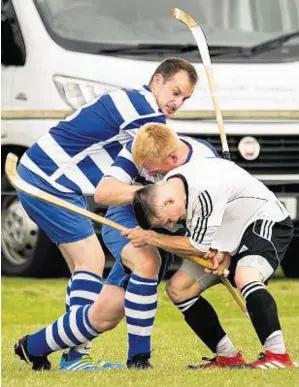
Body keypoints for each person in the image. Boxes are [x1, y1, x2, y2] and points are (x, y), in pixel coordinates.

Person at [14, 57, 198, 371]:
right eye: (175, 91)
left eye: (185, 99)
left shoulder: (133, 101)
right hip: (48, 179)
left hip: (45, 177)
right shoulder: (146, 113)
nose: (177, 102)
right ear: (157, 81)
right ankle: (74, 357)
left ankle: (55, 351)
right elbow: (167, 160)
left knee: (81, 266)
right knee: (92, 261)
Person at [124, 156, 296, 369]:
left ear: (168, 201)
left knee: (245, 275)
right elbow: (200, 241)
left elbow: (197, 247)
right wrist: (219, 248)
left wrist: (152, 238)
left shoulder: (204, 192)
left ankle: (278, 357)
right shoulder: (173, 187)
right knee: (179, 289)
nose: (172, 224)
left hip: (262, 221)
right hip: (225, 237)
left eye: (167, 220)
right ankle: (227, 356)